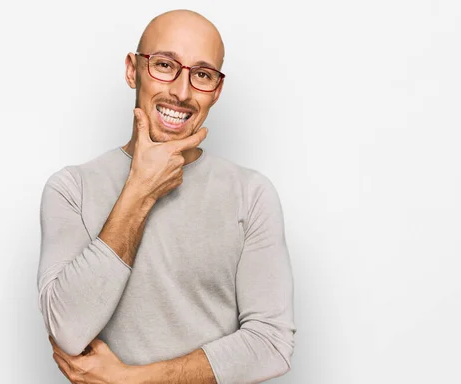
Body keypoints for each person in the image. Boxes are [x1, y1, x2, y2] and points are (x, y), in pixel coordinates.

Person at [37, 9, 296, 384]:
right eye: (164, 65)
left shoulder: (251, 195)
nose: (182, 91)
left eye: (202, 75)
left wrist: (130, 380)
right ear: (132, 70)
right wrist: (140, 190)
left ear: (217, 91)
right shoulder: (70, 190)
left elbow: (271, 343)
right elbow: (68, 330)